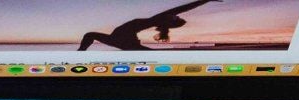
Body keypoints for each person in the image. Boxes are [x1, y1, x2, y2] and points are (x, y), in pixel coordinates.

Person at [79, 0, 215, 52]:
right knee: (89, 34)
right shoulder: (156, 21)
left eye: (177, 18)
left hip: (123, 41)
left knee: (90, 35)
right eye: (177, 17)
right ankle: (81, 54)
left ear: (170, 21)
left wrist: (204, 1)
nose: (176, 15)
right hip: (117, 39)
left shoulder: (158, 19)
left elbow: (184, 7)